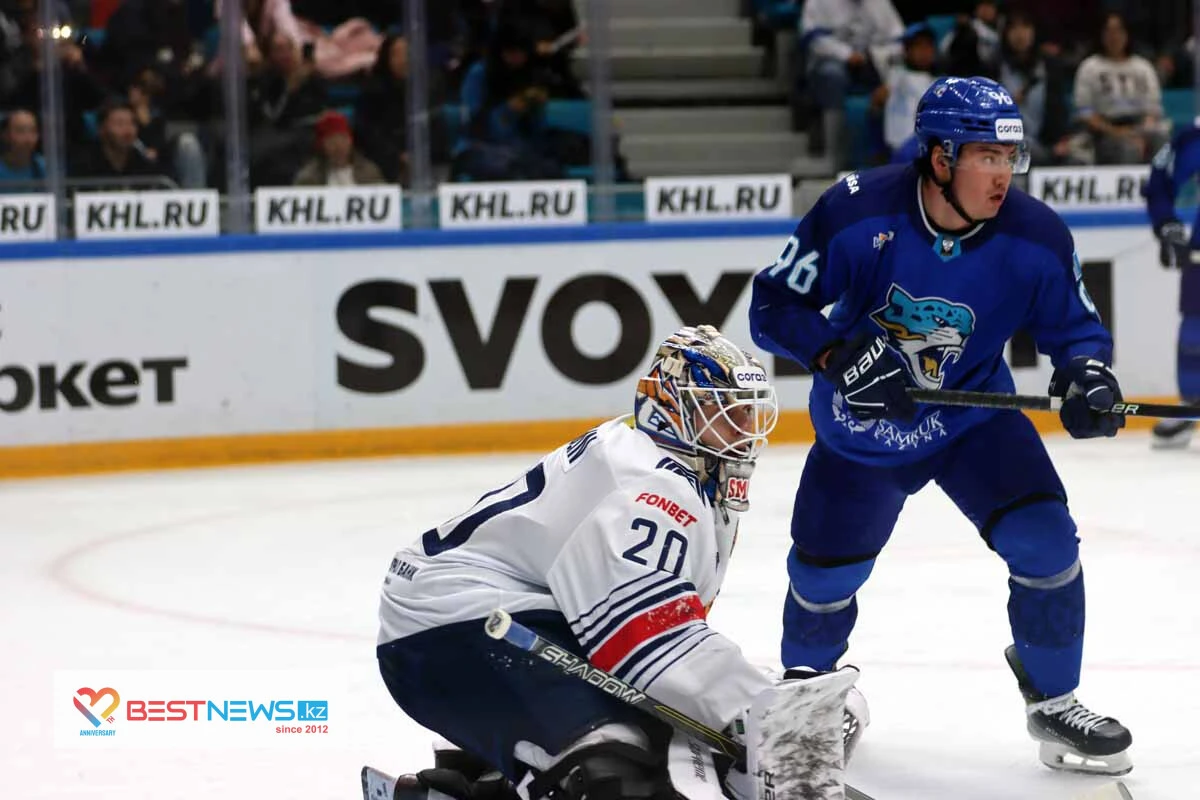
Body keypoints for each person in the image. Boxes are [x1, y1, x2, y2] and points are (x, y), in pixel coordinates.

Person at [749, 76, 1134, 777]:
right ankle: (807, 702)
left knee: (1046, 541)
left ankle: (1055, 700)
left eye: (1010, 157)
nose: (1003, 174)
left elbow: (1075, 330)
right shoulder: (856, 211)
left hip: (972, 418)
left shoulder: (1036, 233)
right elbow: (773, 307)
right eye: (987, 156)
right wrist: (837, 355)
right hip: (864, 429)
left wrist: (1088, 376)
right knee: (824, 578)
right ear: (939, 158)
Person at [372, 325, 862, 800]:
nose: (743, 431)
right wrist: (762, 707)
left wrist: (753, 704)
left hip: (503, 616)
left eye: (748, 414)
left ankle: (465, 787)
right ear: (673, 409)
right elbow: (646, 642)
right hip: (453, 628)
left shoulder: (660, 459)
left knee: (666, 741)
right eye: (722, 412)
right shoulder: (651, 486)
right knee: (610, 768)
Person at [1144, 126, 1200, 448]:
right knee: (1195, 330)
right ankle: (1192, 404)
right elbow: (1160, 179)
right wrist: (1167, 225)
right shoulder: (1195, 137)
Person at [293, 109, 383, 186]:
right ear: (322, 145)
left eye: (343, 138)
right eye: (332, 141)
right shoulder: (309, 178)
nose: (339, 146)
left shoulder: (369, 173)